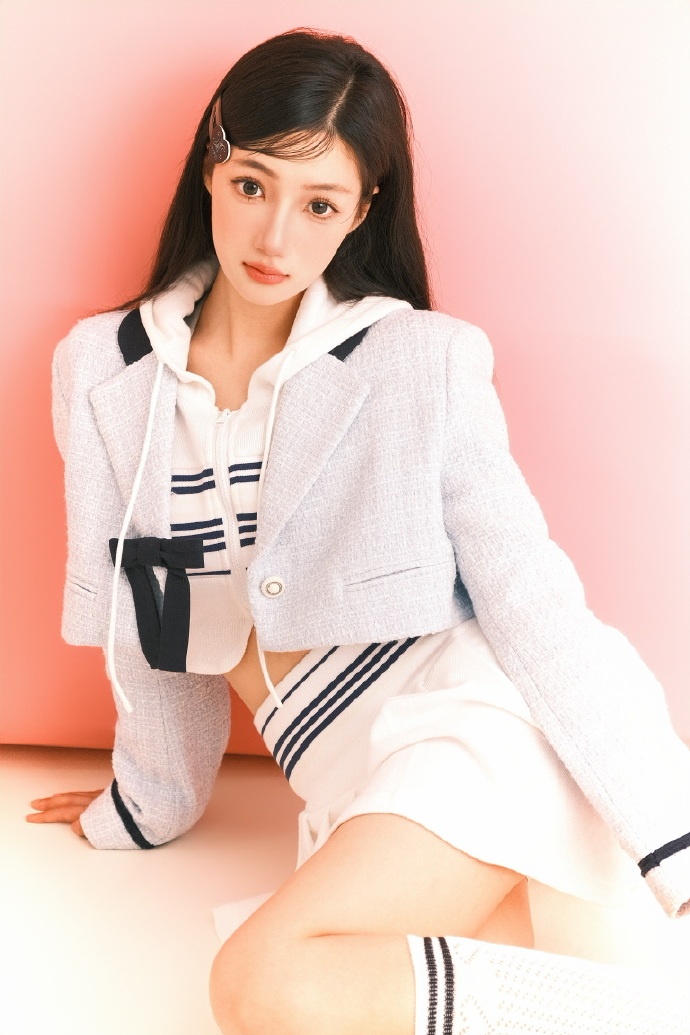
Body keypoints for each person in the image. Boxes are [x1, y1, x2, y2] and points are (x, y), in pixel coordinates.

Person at [29, 26, 690, 1035]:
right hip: (348, 781)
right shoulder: (104, 374)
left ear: (362, 212)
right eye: (252, 185)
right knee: (431, 989)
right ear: (211, 167)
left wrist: (672, 836)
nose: (275, 238)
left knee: (259, 984)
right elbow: (153, 633)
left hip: (464, 727)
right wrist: (142, 805)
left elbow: (535, 600)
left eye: (319, 205)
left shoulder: (420, 361)